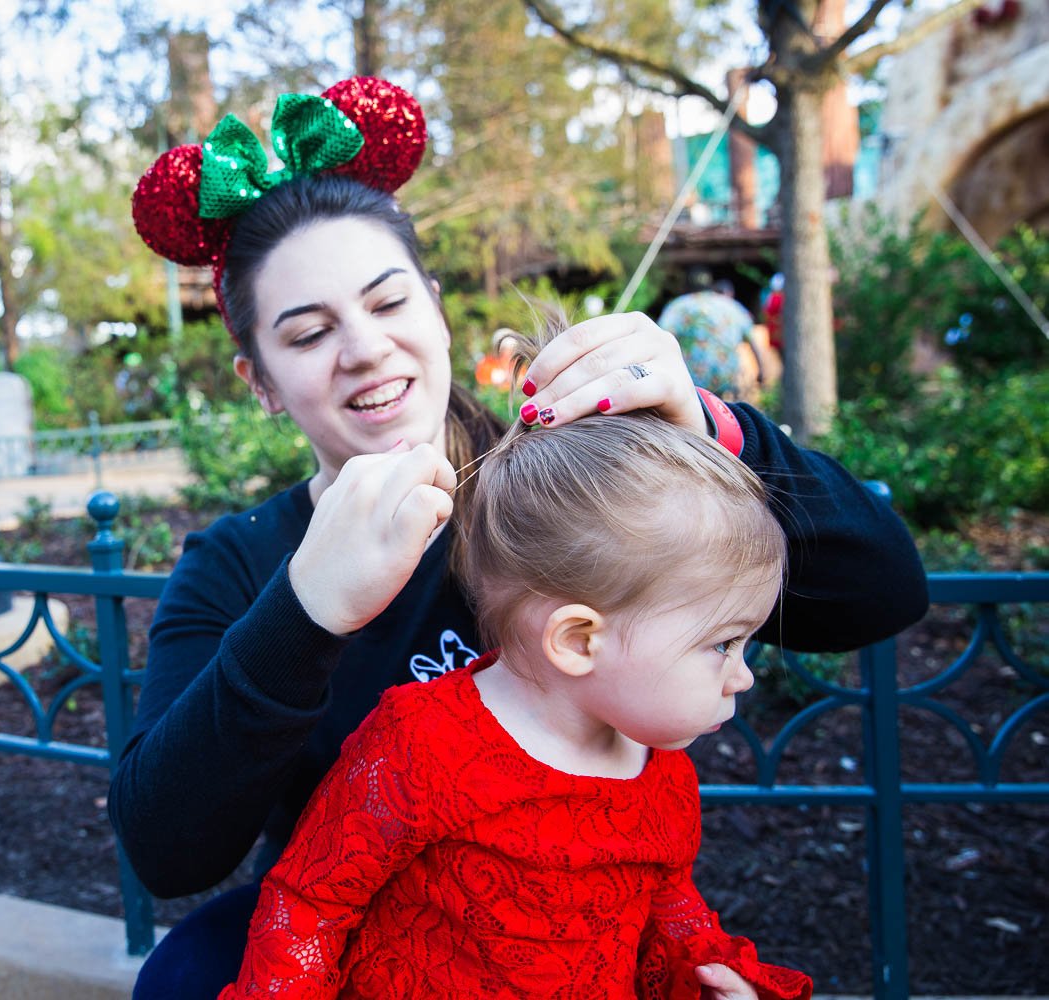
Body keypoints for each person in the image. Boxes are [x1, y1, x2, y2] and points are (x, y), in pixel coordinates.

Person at [113, 76, 925, 998]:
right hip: (349, 939)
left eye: (388, 304)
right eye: (307, 334)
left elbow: (884, 591)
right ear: (259, 381)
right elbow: (165, 850)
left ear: (433, 302)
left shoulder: (563, 485)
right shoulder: (243, 563)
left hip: (565, 920)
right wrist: (305, 611)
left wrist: (708, 423)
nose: (366, 349)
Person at [219, 407, 810, 999]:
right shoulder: (426, 743)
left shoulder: (658, 767)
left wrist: (706, 966)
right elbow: (315, 897)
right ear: (579, 640)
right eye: (723, 643)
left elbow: (665, 893)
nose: (743, 677)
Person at [657, 275, 765, 401]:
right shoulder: (732, 306)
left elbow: (661, 337)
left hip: (691, 379)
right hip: (725, 378)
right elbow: (753, 341)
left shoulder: (679, 306)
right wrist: (762, 369)